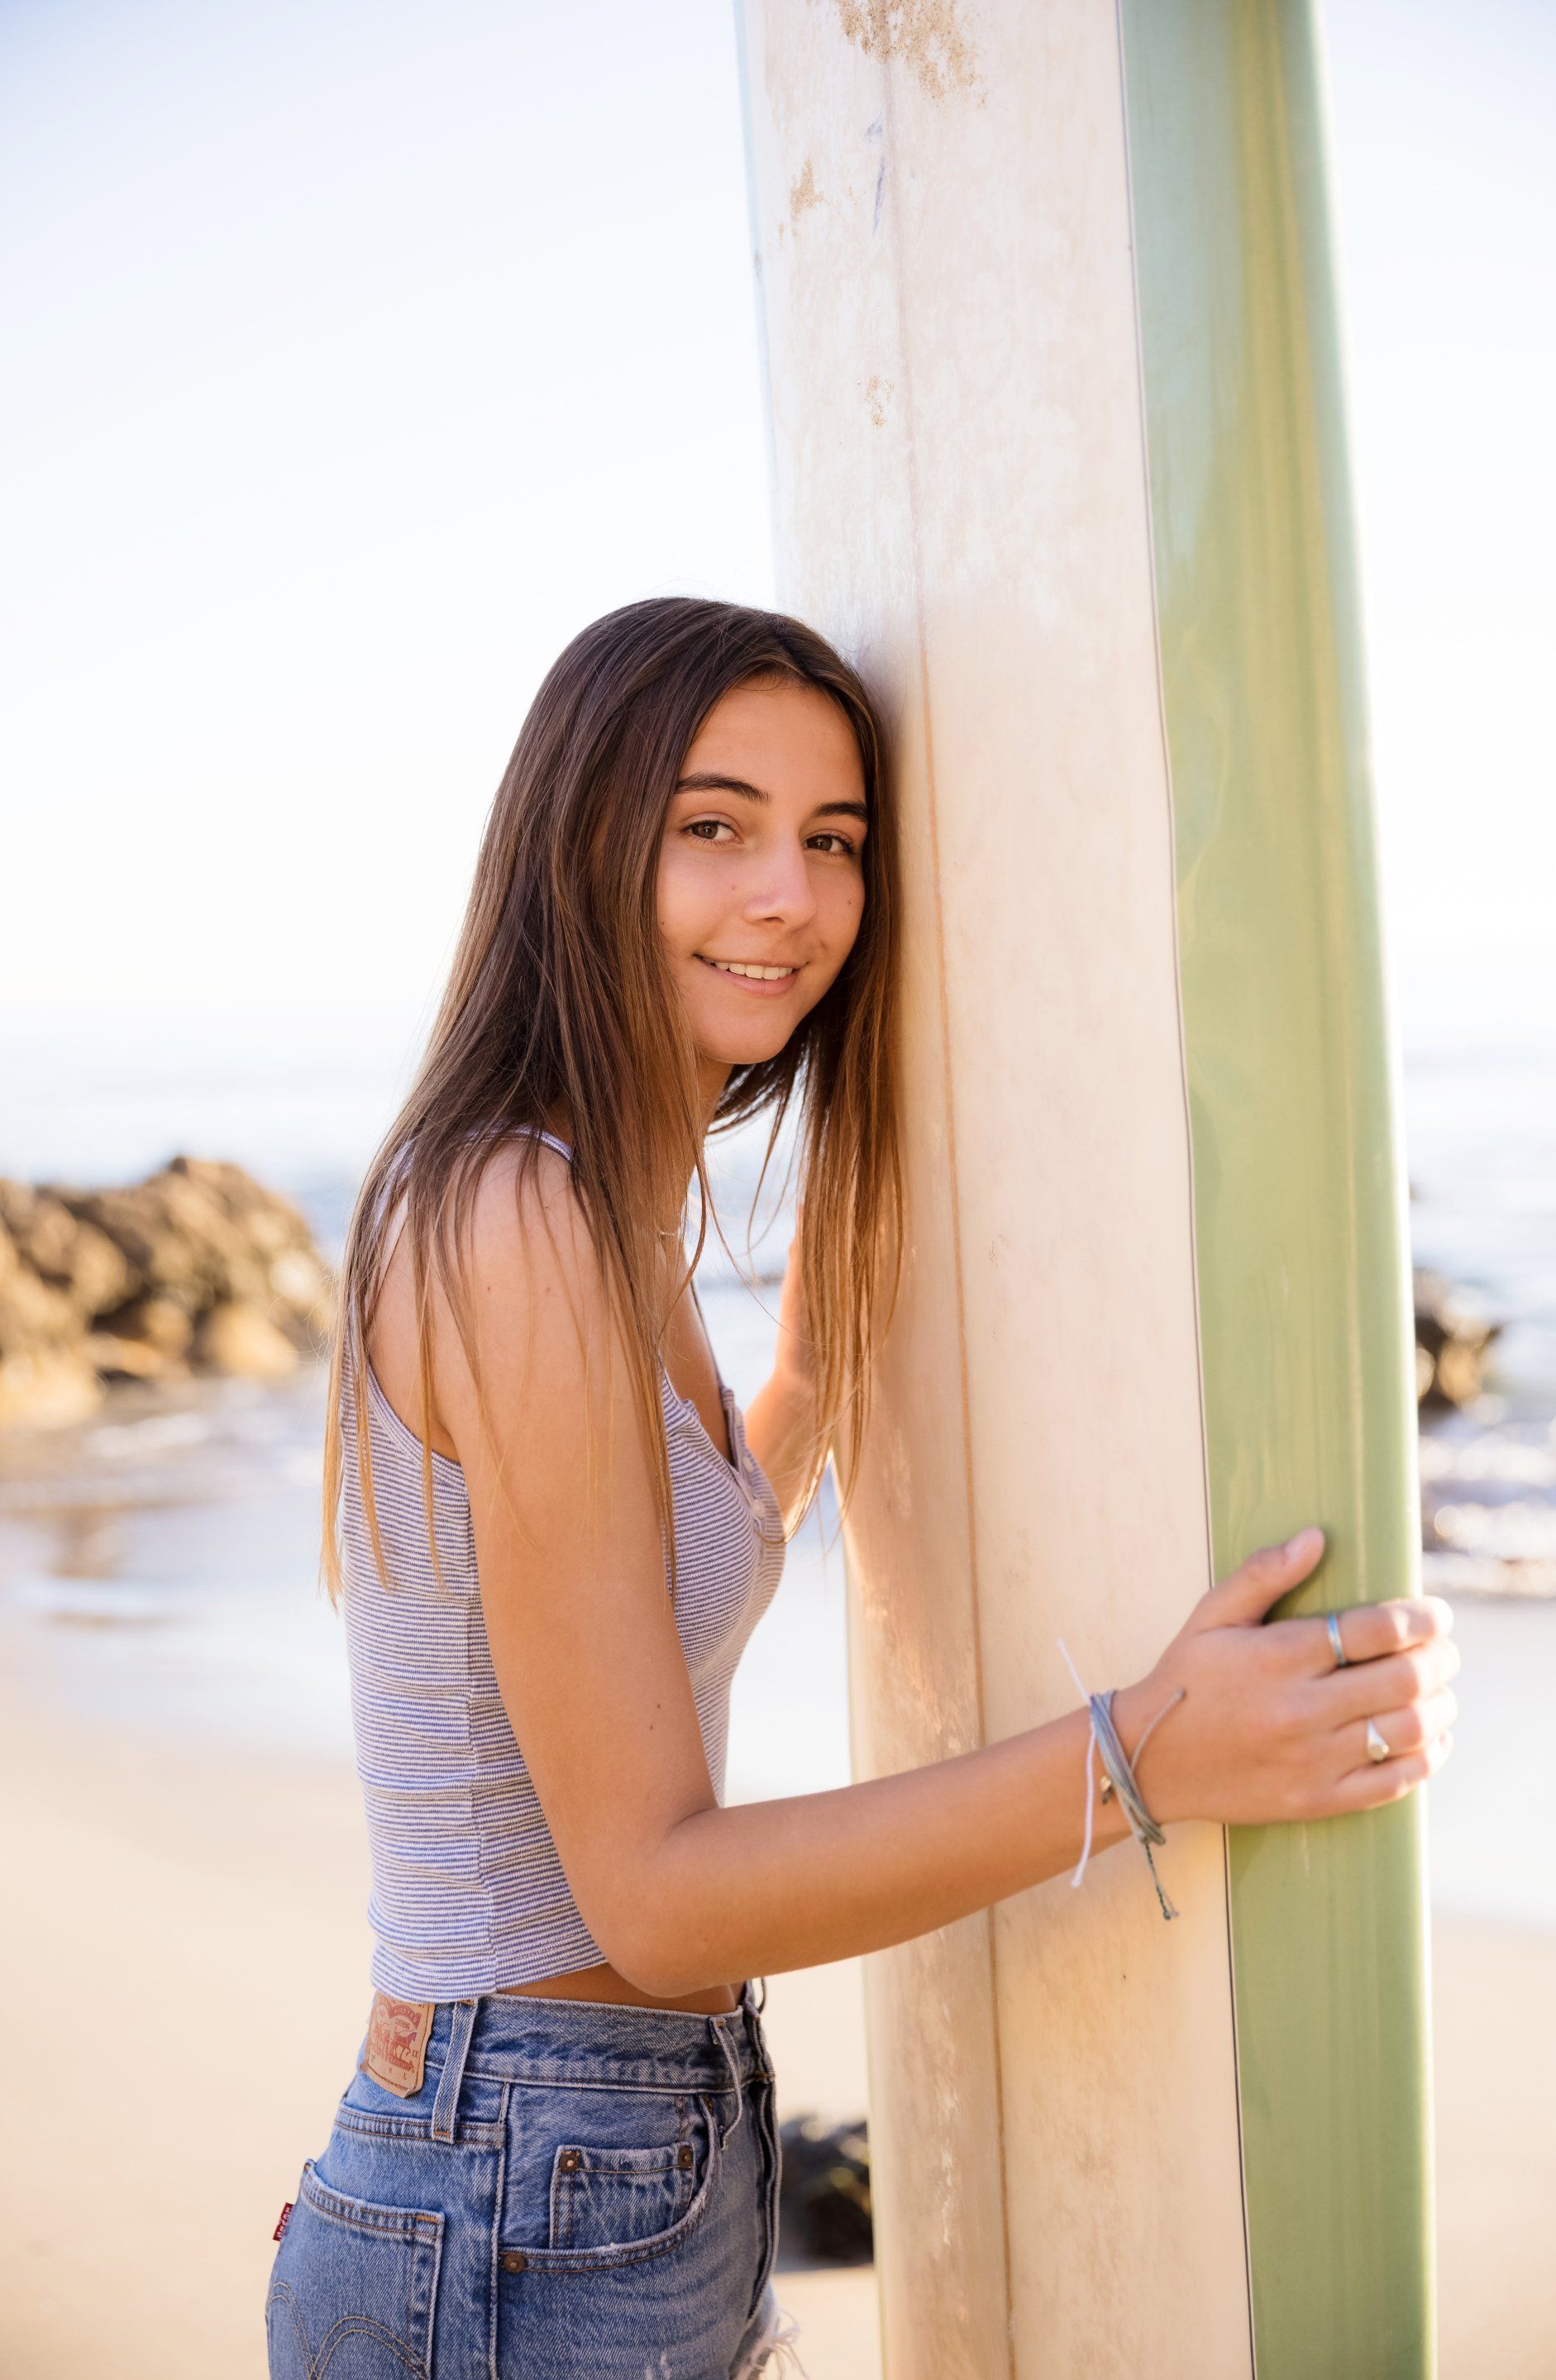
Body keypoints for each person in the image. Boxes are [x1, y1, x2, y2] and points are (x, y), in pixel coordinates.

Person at [264, 594, 1458, 2380]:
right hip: (524, 2179)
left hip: (601, 2162)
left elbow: (790, 1412)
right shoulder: (517, 1216)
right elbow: (653, 1893)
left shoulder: (614, 1212)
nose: (791, 900)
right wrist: (1144, 1753)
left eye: (837, 845)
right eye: (715, 827)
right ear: (577, 844)